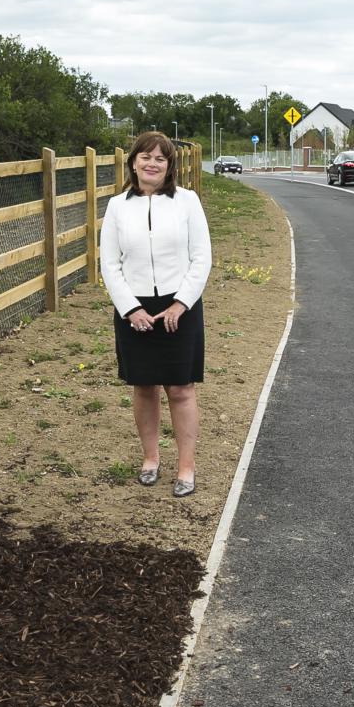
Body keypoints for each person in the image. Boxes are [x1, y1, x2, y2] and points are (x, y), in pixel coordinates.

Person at [99, 132, 212, 498]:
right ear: (133, 162)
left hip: (180, 307)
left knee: (180, 388)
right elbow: (110, 264)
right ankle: (150, 459)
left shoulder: (187, 202)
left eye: (160, 159)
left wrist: (181, 303)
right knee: (144, 386)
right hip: (135, 308)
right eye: (145, 157)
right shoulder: (117, 206)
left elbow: (201, 257)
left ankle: (186, 467)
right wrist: (130, 309)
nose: (152, 163)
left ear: (170, 166)